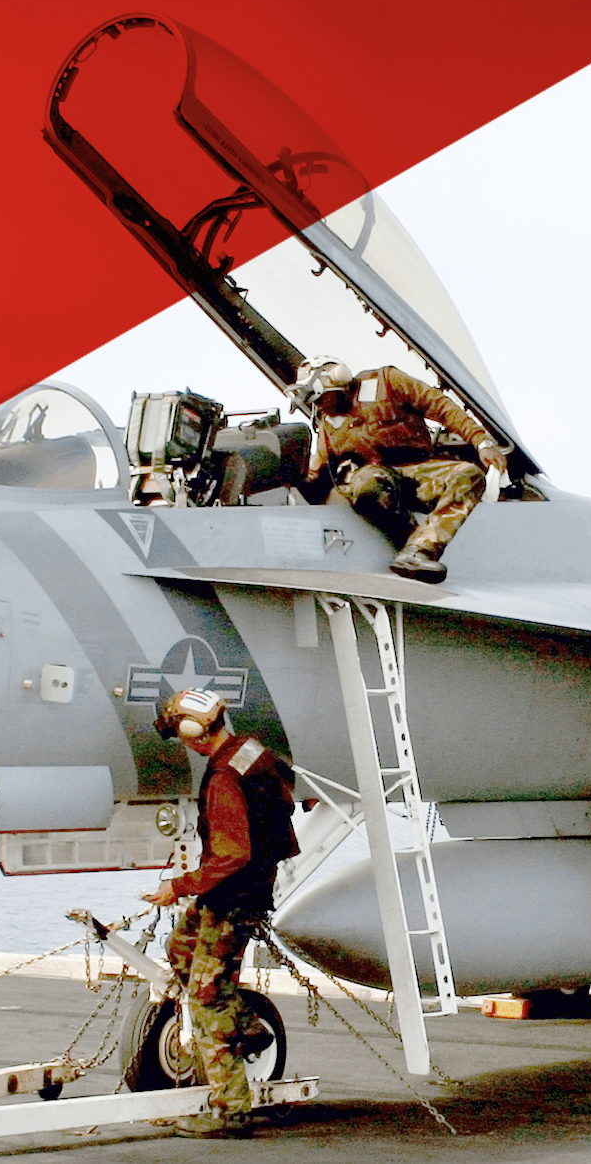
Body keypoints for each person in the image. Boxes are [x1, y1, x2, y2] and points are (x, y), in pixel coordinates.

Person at [138, 688, 300, 1138]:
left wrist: (178, 886)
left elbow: (232, 854)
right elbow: (284, 790)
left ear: (191, 736)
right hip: (237, 891)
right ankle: (248, 1028)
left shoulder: (224, 779)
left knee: (206, 998)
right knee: (181, 949)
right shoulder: (249, 750)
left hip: (234, 897)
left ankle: (229, 1111)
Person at [299, 357, 508, 583]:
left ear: (336, 382)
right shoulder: (328, 423)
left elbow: (440, 405)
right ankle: (413, 542)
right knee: (367, 482)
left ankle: (419, 550)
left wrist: (481, 442)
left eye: (321, 399)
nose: (319, 407)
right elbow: (318, 471)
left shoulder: (387, 382)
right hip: (377, 479)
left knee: (469, 475)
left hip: (419, 473)